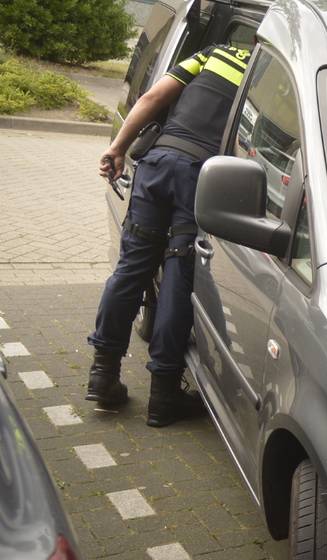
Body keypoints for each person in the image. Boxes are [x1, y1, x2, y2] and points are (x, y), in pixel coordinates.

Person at [89, 43, 250, 427]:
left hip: (158, 163)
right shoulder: (273, 72)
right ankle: (163, 397)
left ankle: (103, 377)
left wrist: (117, 148)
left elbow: (154, 96)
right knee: (179, 278)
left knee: (130, 270)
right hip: (200, 178)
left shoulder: (219, 53)